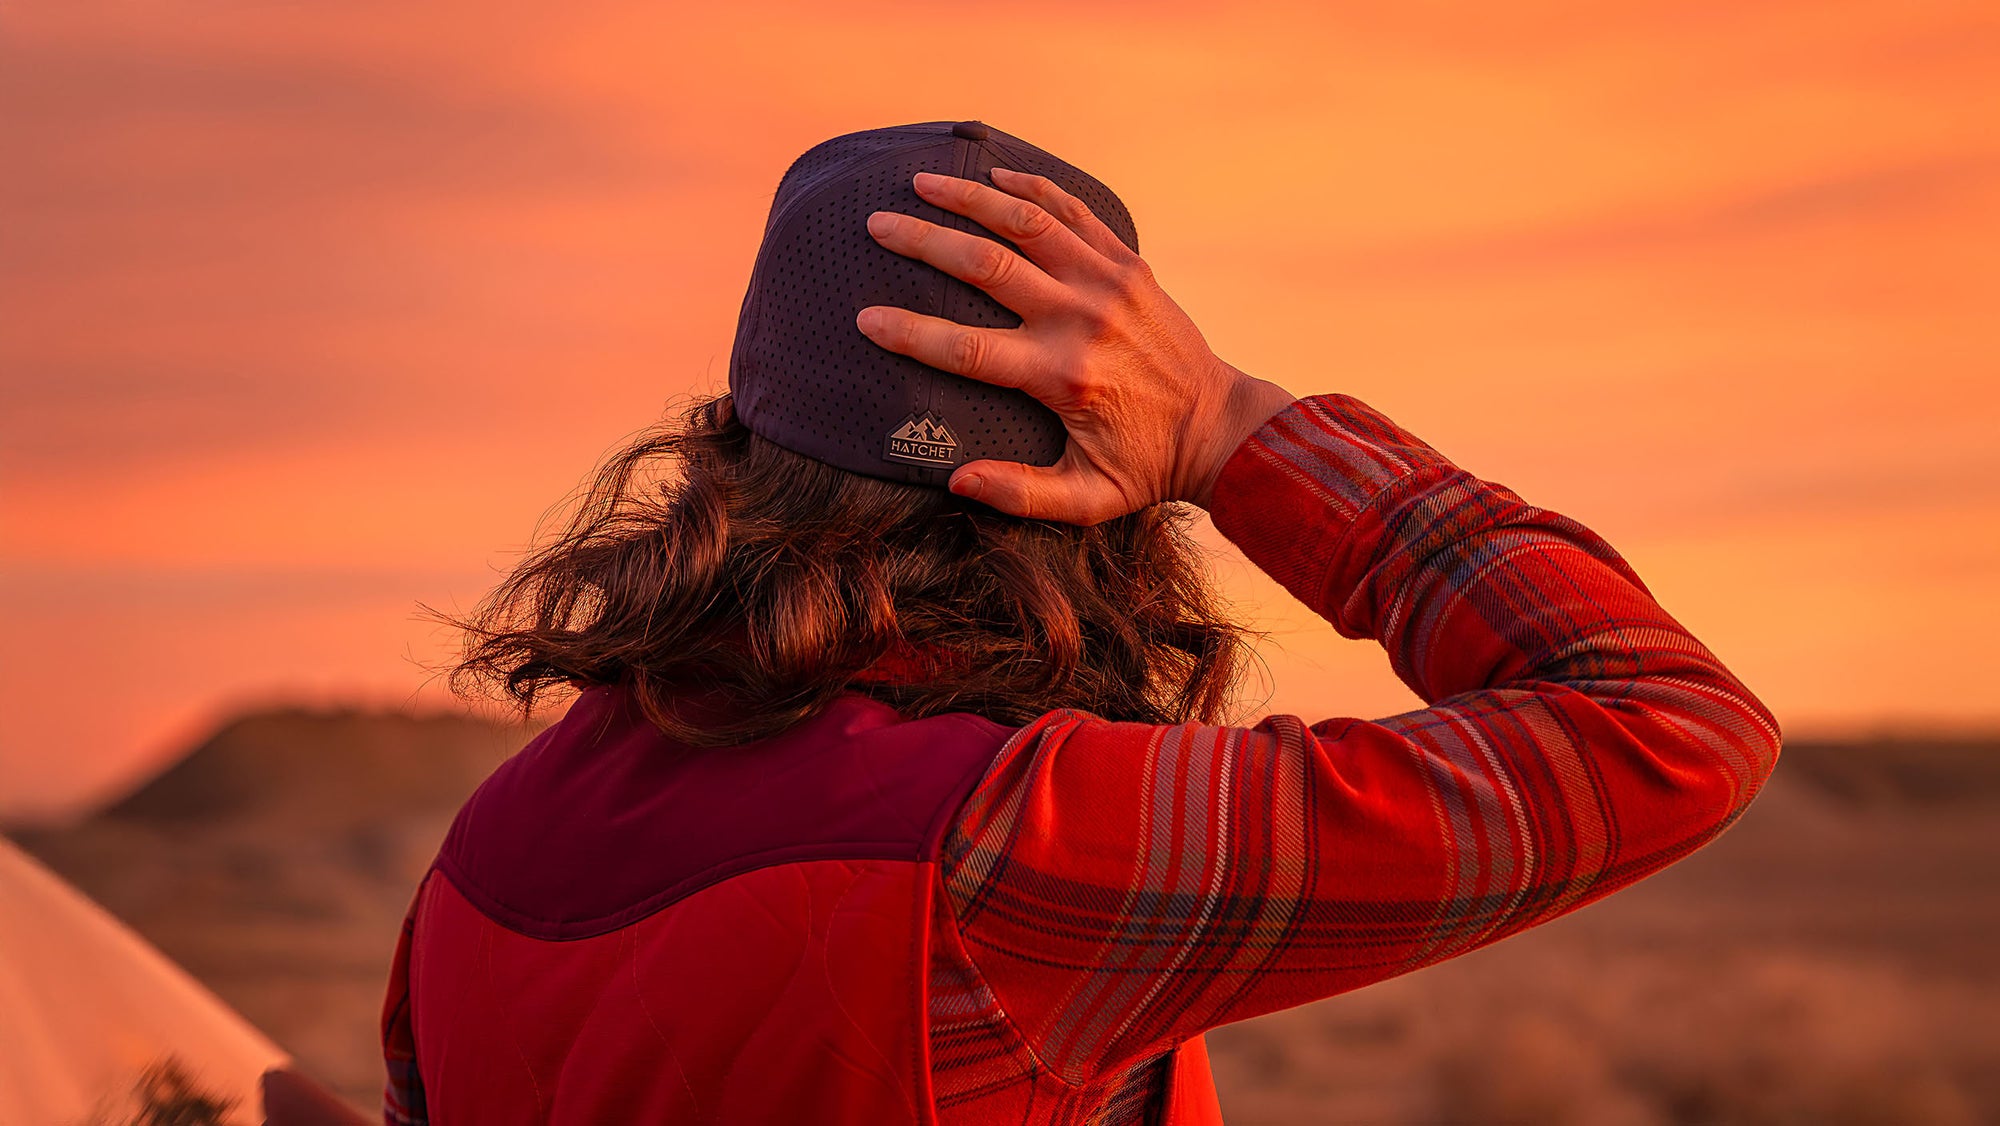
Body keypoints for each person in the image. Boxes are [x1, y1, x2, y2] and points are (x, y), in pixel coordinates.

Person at [378, 120, 1781, 1125]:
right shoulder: (1024, 848)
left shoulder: (481, 861)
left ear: (731, 446)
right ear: (1102, 497)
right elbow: (1670, 725)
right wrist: (1238, 428)